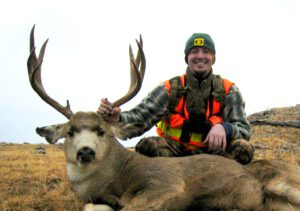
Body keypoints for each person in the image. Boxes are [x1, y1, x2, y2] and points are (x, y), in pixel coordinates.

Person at [97, 33, 254, 164]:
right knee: (148, 146)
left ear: (213, 57)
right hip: (174, 156)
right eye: (194, 52)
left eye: (206, 51)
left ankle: (228, 194)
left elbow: (244, 130)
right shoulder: (169, 89)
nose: (200, 56)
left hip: (213, 155)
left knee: (243, 148)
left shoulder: (228, 91)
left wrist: (225, 128)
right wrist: (118, 117)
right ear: (187, 57)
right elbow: (140, 117)